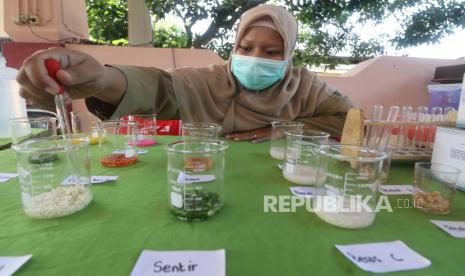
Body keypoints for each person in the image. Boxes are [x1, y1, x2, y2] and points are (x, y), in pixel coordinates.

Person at [16, 4, 353, 143]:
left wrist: (281, 130)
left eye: (271, 52)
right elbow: (158, 88)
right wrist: (101, 80)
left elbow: (350, 120)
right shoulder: (205, 82)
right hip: (205, 177)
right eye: (246, 48)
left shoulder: (305, 87)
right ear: (234, 48)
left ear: (289, 54)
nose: (254, 58)